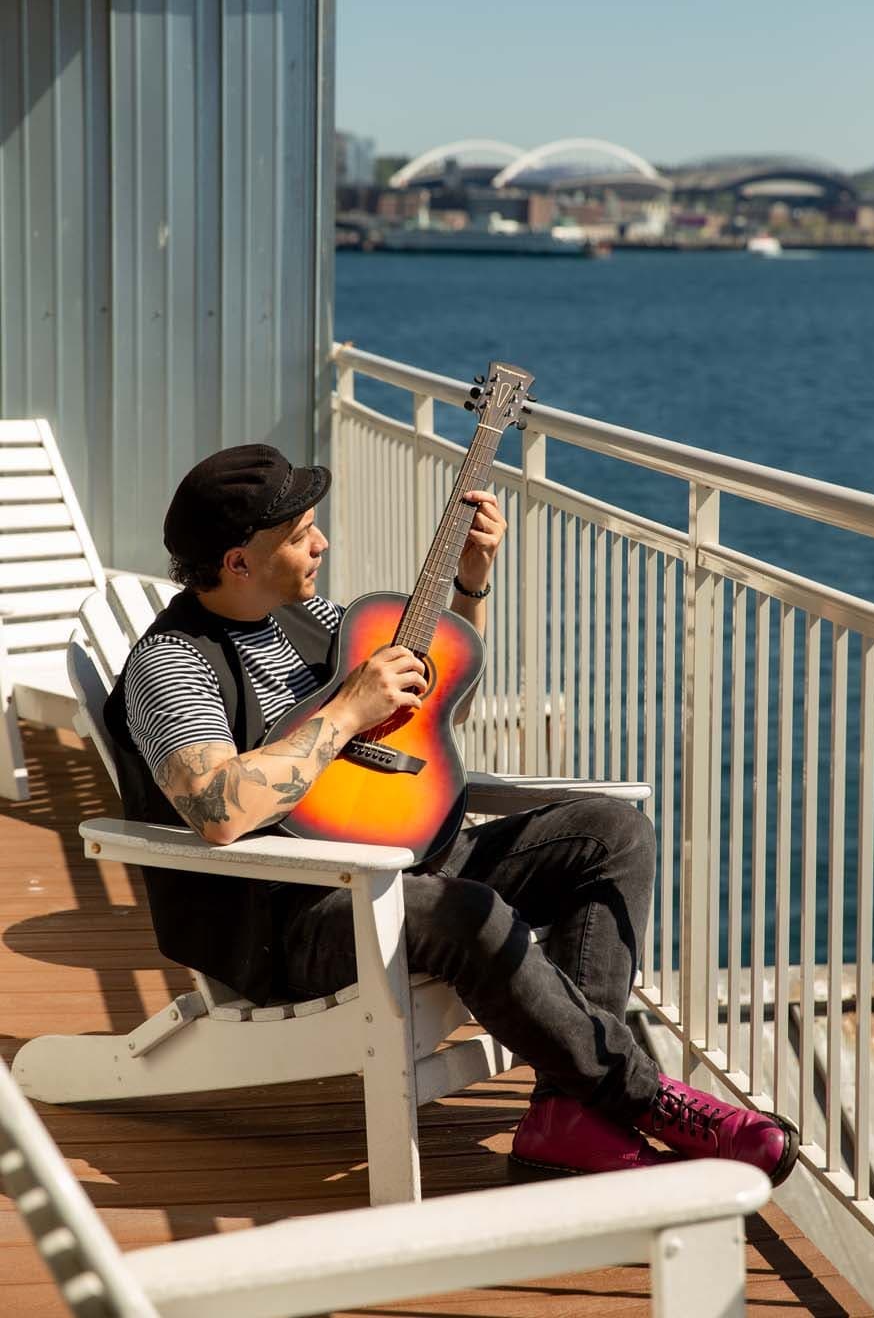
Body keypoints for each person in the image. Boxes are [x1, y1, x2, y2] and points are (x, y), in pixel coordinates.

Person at [105, 443, 798, 1183]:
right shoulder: (171, 663)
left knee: (609, 830)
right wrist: (344, 713)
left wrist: (469, 586)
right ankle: (642, 1094)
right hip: (285, 914)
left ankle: (568, 1113)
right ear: (238, 562)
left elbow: (424, 691)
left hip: (392, 859)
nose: (321, 541)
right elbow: (216, 810)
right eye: (300, 532)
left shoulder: (304, 615)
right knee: (467, 915)